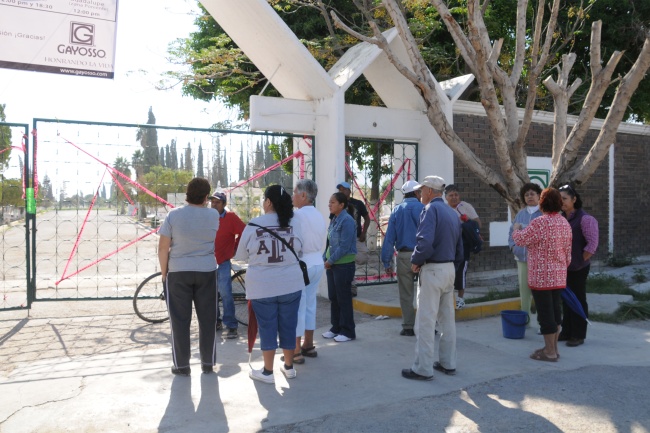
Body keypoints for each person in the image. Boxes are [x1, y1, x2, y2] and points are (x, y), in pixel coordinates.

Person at [235, 185, 304, 384]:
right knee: (289, 325)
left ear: (268, 202)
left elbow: (240, 255)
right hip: (291, 284)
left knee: (267, 327)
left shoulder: (254, 224)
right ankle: (289, 367)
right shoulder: (295, 223)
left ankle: (267, 372)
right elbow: (301, 249)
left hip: (262, 286)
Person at [402, 176, 463, 381]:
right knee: (447, 320)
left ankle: (423, 368)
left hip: (433, 269)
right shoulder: (451, 212)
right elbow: (459, 247)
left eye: (421, 190)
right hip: (449, 269)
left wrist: (416, 260)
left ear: (429, 191)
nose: (419, 194)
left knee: (425, 321)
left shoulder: (430, 210)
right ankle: (448, 363)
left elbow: (424, 242)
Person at [158, 177, 220, 376]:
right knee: (208, 319)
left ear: (187, 193)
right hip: (207, 271)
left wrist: (164, 274)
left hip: (178, 271)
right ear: (206, 196)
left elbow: (163, 248)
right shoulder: (213, 215)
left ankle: (182, 365)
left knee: (179, 321)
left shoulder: (174, 215)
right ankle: (208, 362)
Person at [513, 188, 572, 362]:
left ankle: (550, 352)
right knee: (555, 313)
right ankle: (553, 348)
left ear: (542, 203)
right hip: (559, 276)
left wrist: (516, 229)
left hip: (541, 277)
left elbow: (520, 240)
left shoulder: (540, 222)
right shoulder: (564, 222)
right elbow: (568, 252)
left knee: (546, 315)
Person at [380, 180, 424, 337]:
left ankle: (408, 327)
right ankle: (426, 325)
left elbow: (389, 238)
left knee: (406, 294)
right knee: (426, 293)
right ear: (417, 193)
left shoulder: (397, 210)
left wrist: (386, 261)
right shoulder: (423, 208)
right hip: (423, 255)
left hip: (404, 256)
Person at [558, 184, 599, 347]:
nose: (562, 202)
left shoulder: (586, 219)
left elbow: (592, 245)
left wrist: (580, 260)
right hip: (563, 267)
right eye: (559, 199)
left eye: (565, 198)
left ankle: (578, 335)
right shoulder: (561, 218)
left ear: (574, 199)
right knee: (566, 299)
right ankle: (566, 331)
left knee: (578, 300)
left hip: (578, 268)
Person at [209, 191, 246, 339]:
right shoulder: (207, 217)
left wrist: (235, 247)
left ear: (224, 204)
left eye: (217, 202)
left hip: (223, 261)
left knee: (225, 294)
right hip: (207, 262)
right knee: (210, 294)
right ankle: (215, 321)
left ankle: (231, 325)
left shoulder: (230, 217)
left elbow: (244, 231)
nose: (214, 204)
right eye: (212, 202)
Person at [322, 192, 357, 342]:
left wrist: (330, 261)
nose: (329, 205)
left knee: (344, 298)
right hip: (333, 264)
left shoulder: (347, 221)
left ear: (341, 205)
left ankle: (348, 331)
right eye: (329, 202)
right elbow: (330, 243)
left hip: (344, 265)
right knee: (334, 297)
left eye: (333, 202)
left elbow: (344, 246)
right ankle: (335, 328)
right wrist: (325, 258)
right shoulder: (334, 219)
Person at [508, 183, 543, 318]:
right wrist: (513, 247)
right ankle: (525, 319)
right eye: (526, 194)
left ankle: (542, 322)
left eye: (532, 194)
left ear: (539, 196)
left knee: (540, 292)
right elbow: (511, 232)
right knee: (524, 291)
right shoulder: (520, 214)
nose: (529, 197)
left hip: (539, 261)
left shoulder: (543, 213)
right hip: (522, 259)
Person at [444, 184, 481, 309]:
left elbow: (478, 224)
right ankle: (449, 299)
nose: (454, 197)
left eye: (456, 195)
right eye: (451, 195)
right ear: (446, 197)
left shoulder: (465, 206)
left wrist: (467, 220)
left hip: (464, 245)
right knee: (448, 272)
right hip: (448, 245)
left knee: (461, 272)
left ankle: (460, 299)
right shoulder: (444, 209)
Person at [336, 181, 370, 297]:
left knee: (363, 256)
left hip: (356, 238)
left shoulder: (358, 203)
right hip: (343, 239)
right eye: (340, 190)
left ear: (349, 191)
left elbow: (367, 218)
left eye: (343, 189)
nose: (341, 191)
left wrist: (364, 233)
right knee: (347, 263)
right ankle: (352, 287)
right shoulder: (338, 205)